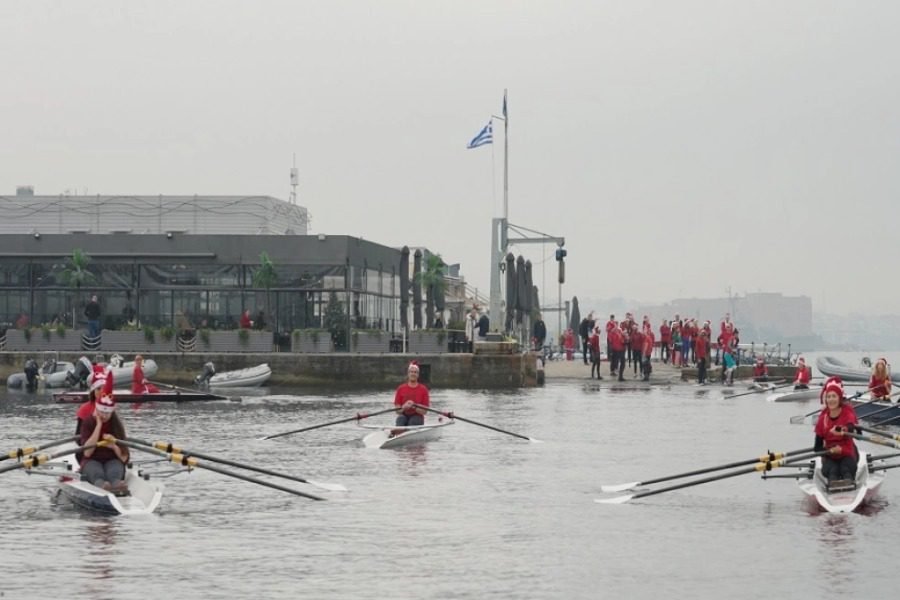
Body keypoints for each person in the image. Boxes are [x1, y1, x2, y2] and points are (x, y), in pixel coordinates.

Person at [80, 394, 130, 493]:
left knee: (114, 474)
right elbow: (87, 453)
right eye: (102, 412)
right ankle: (102, 486)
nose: (104, 416)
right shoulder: (88, 422)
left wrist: (114, 446)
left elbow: (124, 458)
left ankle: (118, 485)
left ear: (112, 412)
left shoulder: (116, 425)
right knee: (97, 473)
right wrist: (98, 426)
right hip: (91, 460)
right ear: (96, 410)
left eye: (107, 413)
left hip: (112, 459)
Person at [814, 377, 859, 484]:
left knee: (845, 468)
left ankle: (848, 482)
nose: (831, 399)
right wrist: (829, 451)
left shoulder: (847, 413)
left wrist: (843, 430)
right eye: (828, 397)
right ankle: (833, 483)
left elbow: (851, 427)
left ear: (839, 398)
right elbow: (817, 448)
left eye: (834, 396)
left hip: (847, 453)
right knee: (832, 470)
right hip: (830, 455)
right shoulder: (822, 419)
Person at [394, 361, 429, 431]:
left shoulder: (424, 389)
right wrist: (404, 407)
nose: (413, 374)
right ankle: (397, 433)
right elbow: (397, 411)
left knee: (413, 421)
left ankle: (402, 433)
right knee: (400, 419)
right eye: (411, 372)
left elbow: (424, 412)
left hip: (417, 416)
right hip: (404, 415)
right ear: (408, 374)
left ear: (418, 375)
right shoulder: (400, 388)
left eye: (415, 372)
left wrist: (414, 407)